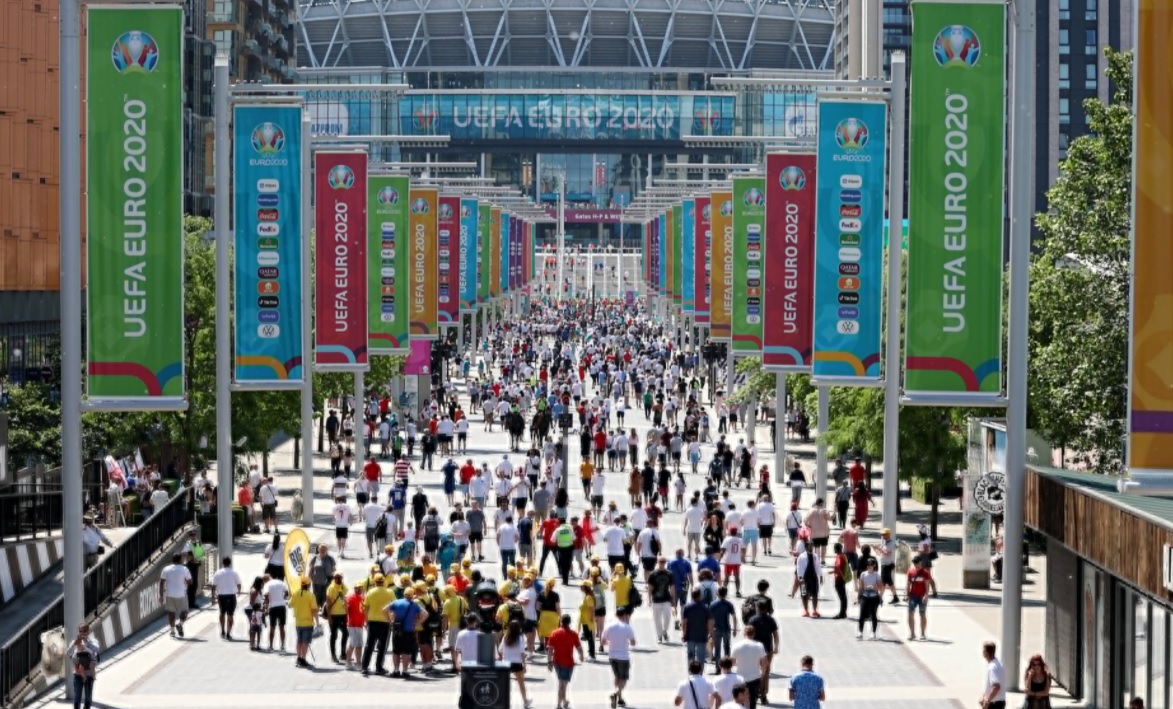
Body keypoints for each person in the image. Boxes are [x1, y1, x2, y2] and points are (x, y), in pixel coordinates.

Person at [601, 606, 638, 708]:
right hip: (623, 656)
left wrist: (611, 643)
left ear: (616, 615)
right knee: (624, 678)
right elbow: (633, 642)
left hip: (612, 655)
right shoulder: (627, 627)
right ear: (625, 615)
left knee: (617, 677)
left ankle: (620, 699)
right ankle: (616, 693)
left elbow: (603, 641)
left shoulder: (609, 626)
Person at [547, 614, 585, 709]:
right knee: (563, 684)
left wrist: (549, 662)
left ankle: (564, 701)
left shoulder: (554, 633)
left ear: (561, 622)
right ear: (569, 622)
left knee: (561, 683)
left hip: (557, 662)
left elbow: (550, 649)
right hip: (568, 662)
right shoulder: (573, 634)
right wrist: (581, 656)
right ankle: (559, 704)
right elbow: (579, 647)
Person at [361, 574, 394, 675]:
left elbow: (366, 607)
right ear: (384, 581)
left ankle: (364, 667)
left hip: (372, 621)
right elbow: (394, 606)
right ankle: (379, 667)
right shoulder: (389, 592)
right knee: (382, 646)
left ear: (374, 581)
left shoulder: (370, 592)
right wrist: (392, 619)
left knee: (369, 645)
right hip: (385, 622)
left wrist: (366, 620)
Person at [731, 625, 768, 709]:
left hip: (740, 678)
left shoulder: (736, 645)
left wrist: (739, 663)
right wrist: (763, 674)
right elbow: (764, 663)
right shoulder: (759, 646)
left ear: (744, 633)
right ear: (754, 634)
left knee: (740, 702)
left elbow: (732, 662)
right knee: (753, 702)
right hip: (755, 677)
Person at [499, 619, 534, 708]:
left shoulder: (505, 637)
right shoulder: (520, 638)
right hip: (517, 663)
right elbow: (522, 652)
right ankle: (525, 701)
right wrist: (524, 665)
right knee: (521, 684)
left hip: (506, 663)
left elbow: (500, 650)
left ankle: (504, 702)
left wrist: (503, 657)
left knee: (505, 684)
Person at [158, 553, 192, 638]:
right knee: (185, 611)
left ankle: (172, 631)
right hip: (181, 594)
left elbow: (161, 582)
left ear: (173, 560)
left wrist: (161, 595)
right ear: (180, 560)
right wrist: (185, 582)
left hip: (169, 594)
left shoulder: (166, 569)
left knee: (171, 612)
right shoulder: (184, 569)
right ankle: (180, 624)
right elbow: (190, 581)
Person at [67, 623, 100, 709]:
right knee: (77, 698)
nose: (82, 633)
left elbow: (97, 650)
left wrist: (87, 643)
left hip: (89, 674)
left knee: (88, 698)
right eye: (80, 631)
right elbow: (68, 652)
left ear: (88, 631)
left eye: (84, 631)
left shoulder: (93, 641)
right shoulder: (76, 642)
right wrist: (75, 643)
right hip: (78, 674)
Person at [289, 576, 319, 668]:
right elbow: (314, 610)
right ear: (309, 585)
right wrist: (317, 622)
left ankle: (299, 658)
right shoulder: (311, 595)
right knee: (305, 642)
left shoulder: (295, 594)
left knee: (299, 640)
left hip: (298, 622)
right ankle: (303, 659)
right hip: (308, 622)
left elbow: (290, 605)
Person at [681, 587, 713, 668]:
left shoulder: (687, 607)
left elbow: (684, 622)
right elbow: (709, 622)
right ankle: (700, 672)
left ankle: (691, 671)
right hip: (702, 636)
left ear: (692, 596)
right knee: (701, 657)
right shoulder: (705, 607)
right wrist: (710, 633)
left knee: (690, 656)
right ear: (700, 596)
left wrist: (684, 634)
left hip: (690, 636)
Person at [210, 557, 242, 639]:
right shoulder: (234, 573)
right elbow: (239, 584)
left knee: (222, 613)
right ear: (230, 563)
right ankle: (228, 632)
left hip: (221, 595)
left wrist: (213, 597)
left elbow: (213, 586)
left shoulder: (218, 573)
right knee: (230, 614)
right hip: (231, 595)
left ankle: (222, 631)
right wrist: (239, 592)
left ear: (223, 563)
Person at [906, 556, 936, 640]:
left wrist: (926, 595)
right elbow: (908, 584)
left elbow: (927, 585)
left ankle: (922, 633)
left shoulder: (925, 573)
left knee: (922, 613)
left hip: (922, 596)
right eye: (914, 563)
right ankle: (912, 633)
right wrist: (906, 594)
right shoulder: (911, 572)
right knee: (910, 613)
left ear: (920, 563)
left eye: (917, 563)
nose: (915, 565)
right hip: (913, 596)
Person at [325, 573, 349, 663]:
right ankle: (333, 655)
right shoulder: (331, 588)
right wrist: (329, 617)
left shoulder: (343, 586)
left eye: (340, 577)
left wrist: (347, 613)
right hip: (334, 615)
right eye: (337, 577)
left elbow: (346, 598)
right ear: (334, 578)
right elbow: (328, 603)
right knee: (334, 635)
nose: (338, 579)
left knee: (345, 633)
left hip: (342, 614)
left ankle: (343, 654)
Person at [857, 558, 883, 639]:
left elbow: (881, 587)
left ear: (874, 565)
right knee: (862, 614)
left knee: (873, 615)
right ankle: (860, 632)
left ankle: (873, 632)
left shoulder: (877, 575)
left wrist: (874, 587)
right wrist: (858, 596)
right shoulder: (863, 574)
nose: (869, 566)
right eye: (868, 565)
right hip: (865, 595)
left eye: (871, 565)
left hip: (874, 596)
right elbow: (861, 587)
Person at [980, 641, 1007, 709]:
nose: (982, 652)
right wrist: (984, 696)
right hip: (998, 703)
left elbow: (996, 687)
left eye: (983, 650)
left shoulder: (992, 667)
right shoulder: (998, 664)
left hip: (994, 704)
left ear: (986, 652)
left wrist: (987, 701)